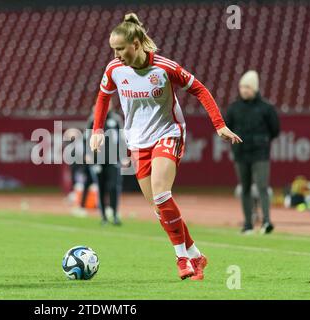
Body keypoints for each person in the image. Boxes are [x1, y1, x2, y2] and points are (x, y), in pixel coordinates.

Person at [89, 13, 242, 281]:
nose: (117, 54)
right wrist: (97, 130)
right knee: (161, 208)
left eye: (121, 48)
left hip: (168, 133)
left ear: (136, 44)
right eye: (114, 49)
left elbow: (200, 90)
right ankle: (196, 254)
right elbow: (103, 97)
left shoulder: (164, 67)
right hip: (137, 141)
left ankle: (181, 257)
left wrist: (219, 124)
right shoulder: (114, 69)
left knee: (162, 194)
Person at [225, 70, 280, 235]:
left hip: (260, 153)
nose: (244, 90)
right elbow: (226, 128)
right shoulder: (234, 108)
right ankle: (248, 224)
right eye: (242, 87)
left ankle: (266, 222)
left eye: (247, 87)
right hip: (241, 153)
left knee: (263, 187)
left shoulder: (267, 108)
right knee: (245, 188)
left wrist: (261, 141)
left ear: (255, 88)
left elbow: (275, 130)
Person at [85, 100, 125, 226]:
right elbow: (87, 138)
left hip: (114, 158)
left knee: (114, 187)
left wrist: (124, 155)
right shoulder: (93, 119)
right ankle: (103, 217)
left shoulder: (116, 119)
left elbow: (122, 138)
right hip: (98, 159)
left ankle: (114, 214)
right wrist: (88, 154)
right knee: (101, 188)